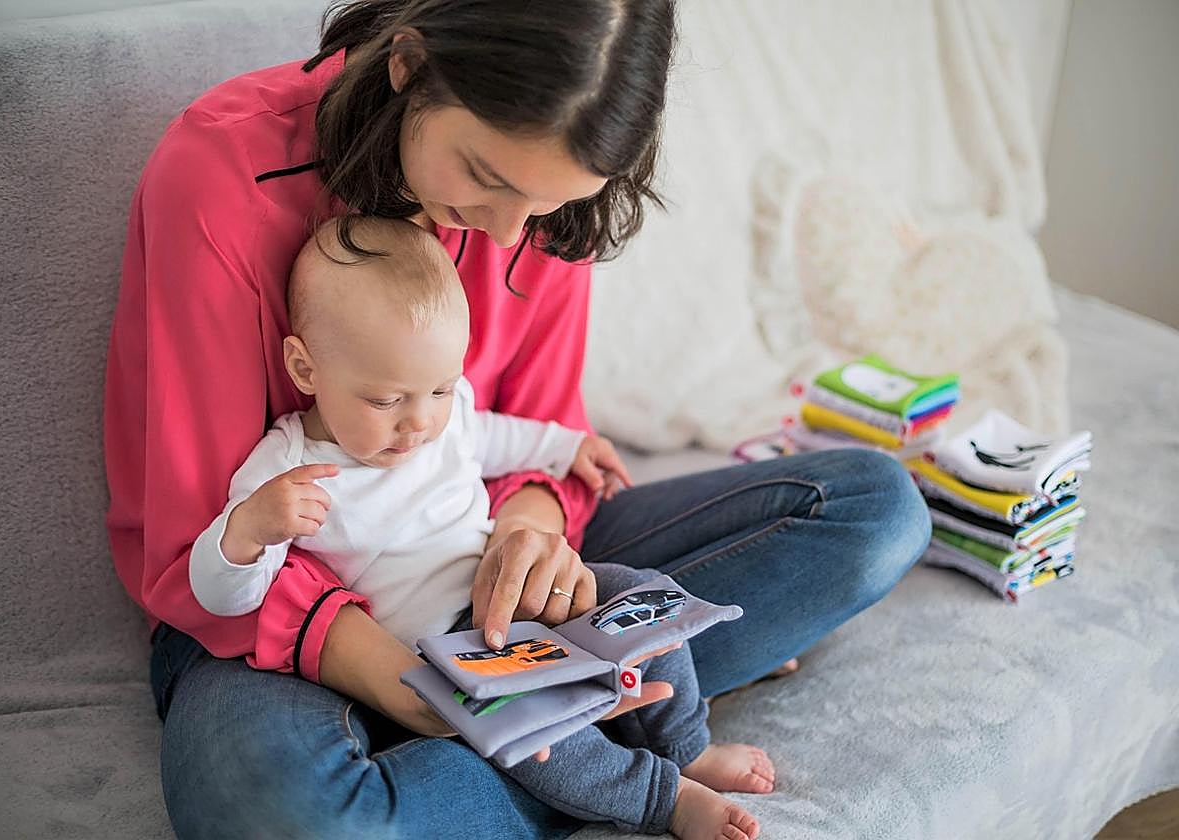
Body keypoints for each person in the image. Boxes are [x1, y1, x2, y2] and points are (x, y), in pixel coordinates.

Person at [103, 1, 931, 836]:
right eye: (487, 178)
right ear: (409, 62)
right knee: (290, 819)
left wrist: (529, 539)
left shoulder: (542, 204)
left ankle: (552, 729)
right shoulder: (219, 177)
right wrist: (400, 679)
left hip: (483, 581)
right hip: (268, 617)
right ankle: (591, 744)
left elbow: (537, 435)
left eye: (545, 205)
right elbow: (203, 542)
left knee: (876, 511)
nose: (509, 232)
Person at [186, 215, 774, 837]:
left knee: (644, 595)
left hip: (516, 589)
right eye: (385, 401)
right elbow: (222, 597)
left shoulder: (443, 412)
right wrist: (249, 530)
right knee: (536, 732)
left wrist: (565, 447)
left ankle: (686, 745)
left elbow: (493, 435)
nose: (419, 424)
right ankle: (662, 797)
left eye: (439, 390)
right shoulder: (289, 465)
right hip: (450, 648)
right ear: (306, 370)